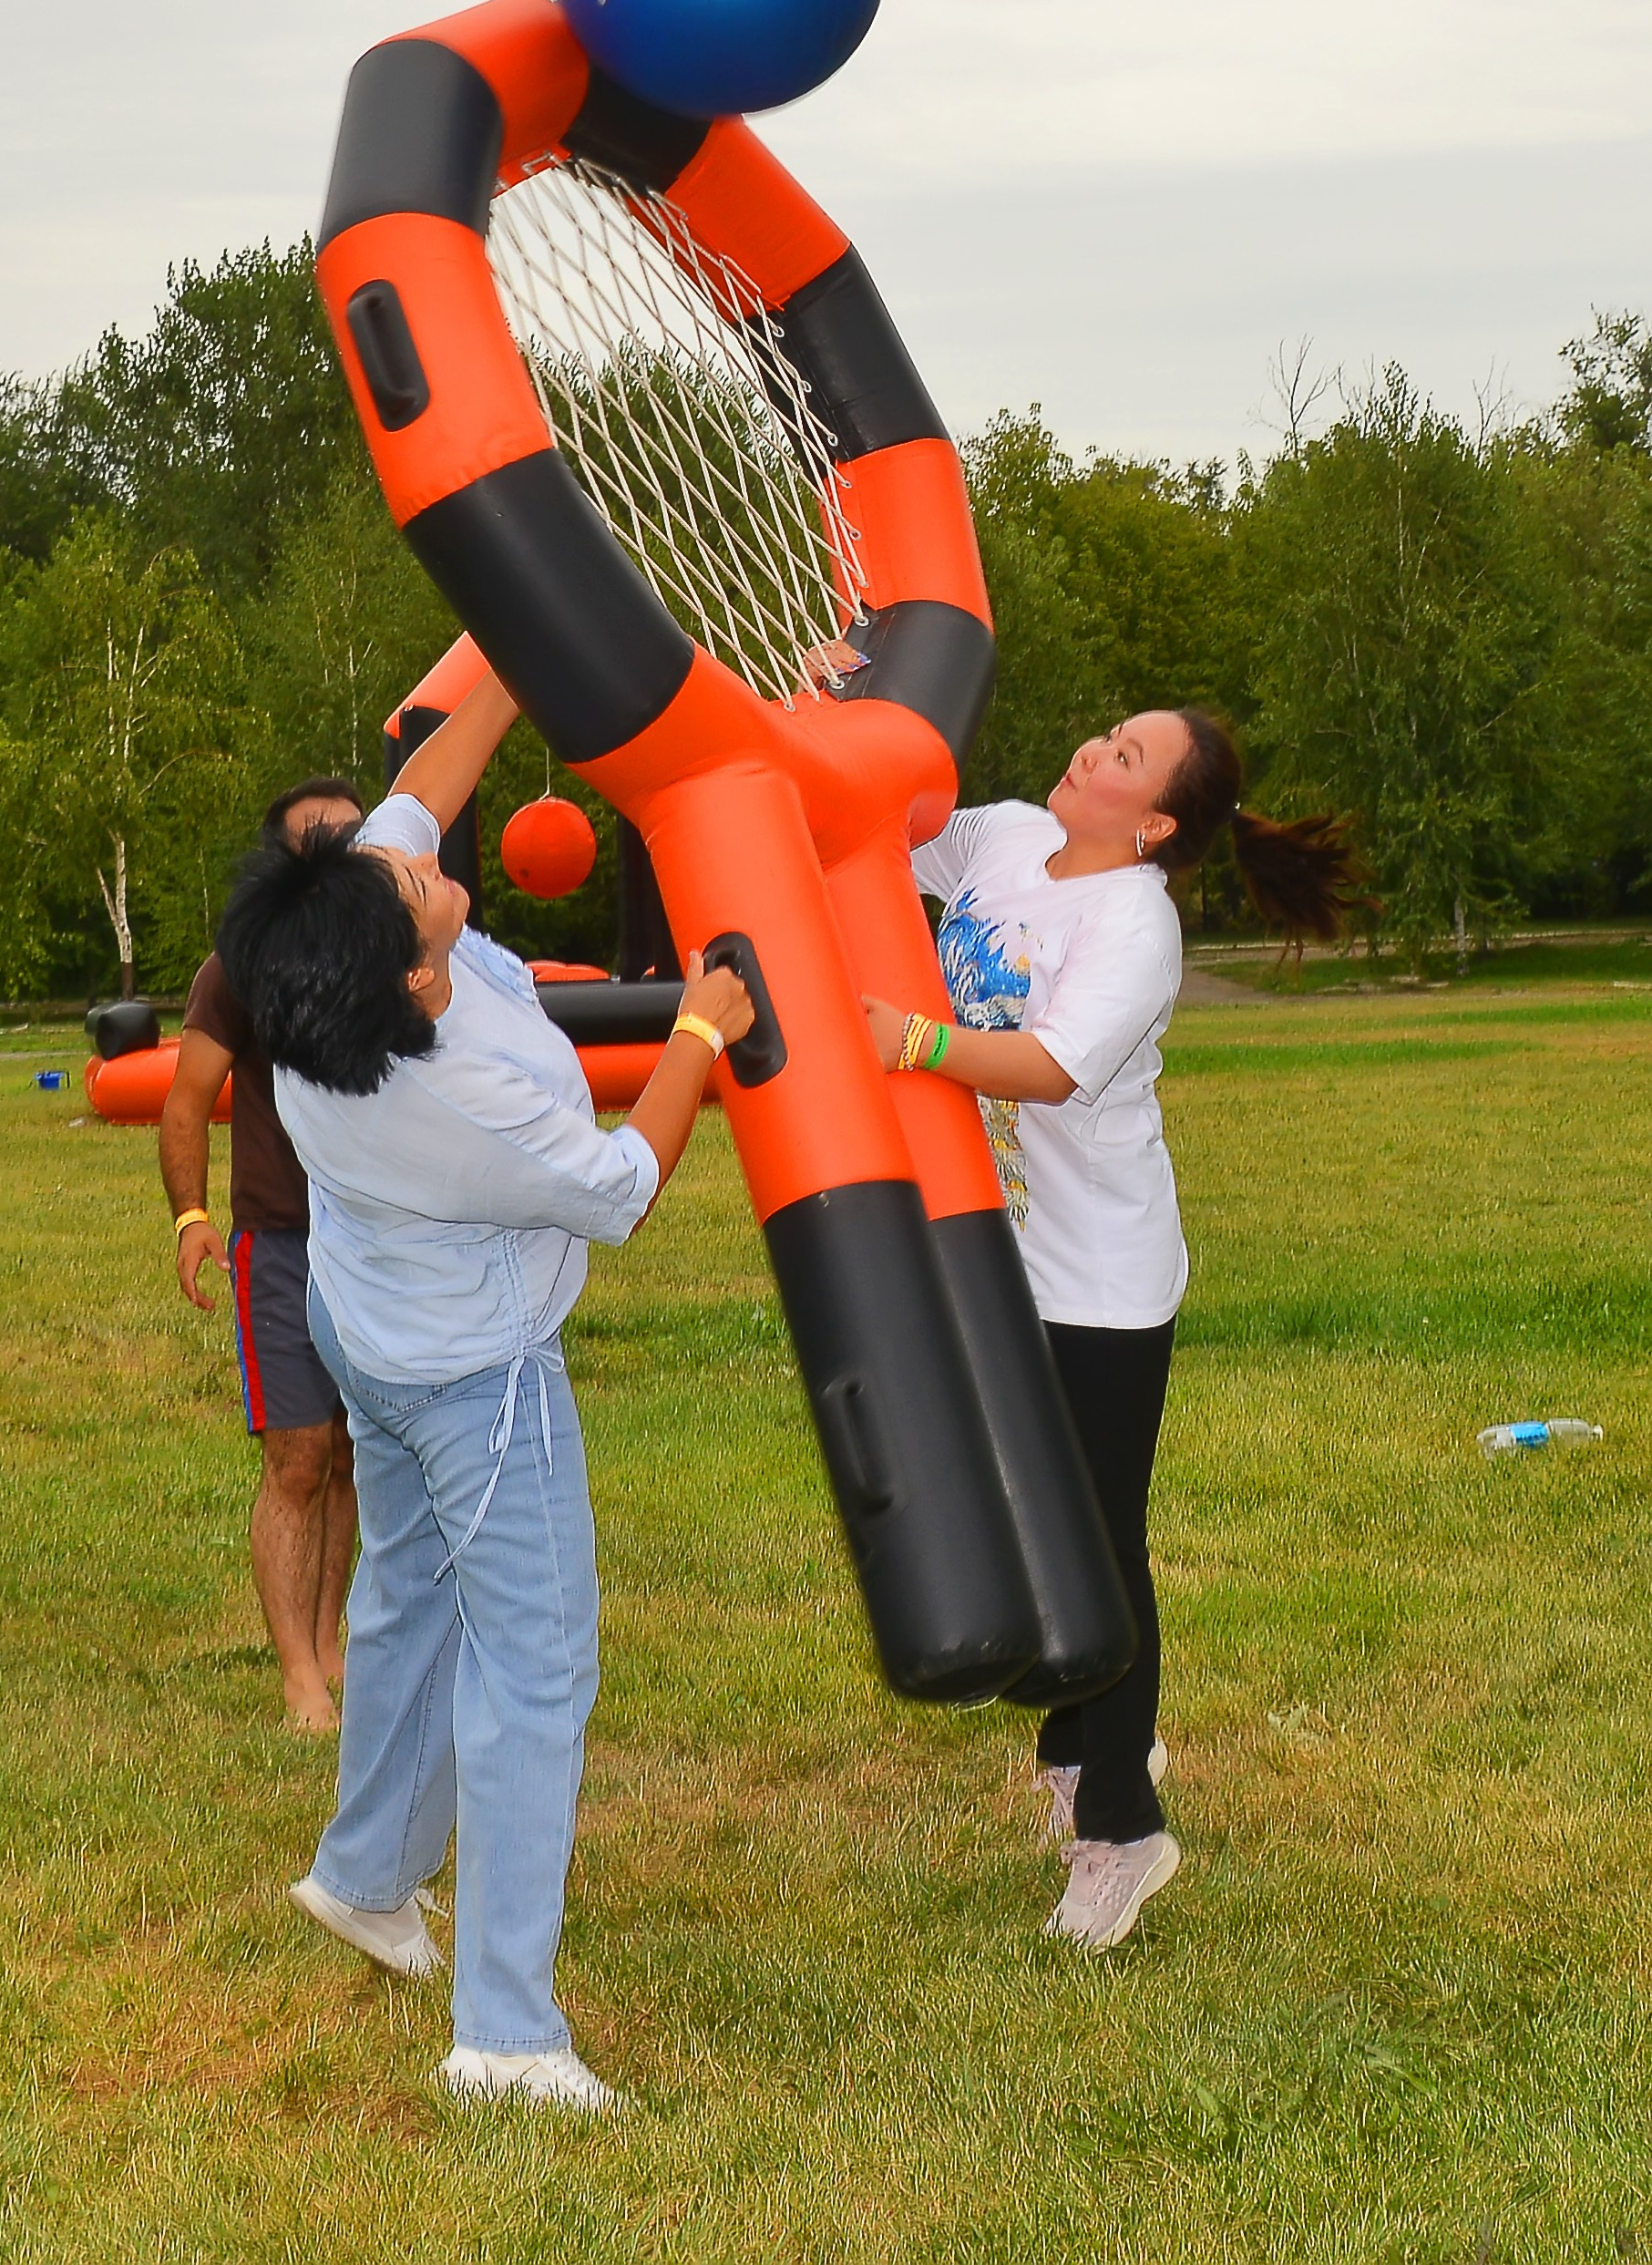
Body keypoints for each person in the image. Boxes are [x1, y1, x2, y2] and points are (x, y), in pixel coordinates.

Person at [217, 669, 752, 2114]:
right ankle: (505, 2037)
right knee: (533, 1671)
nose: (415, 851)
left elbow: (426, 787)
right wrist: (697, 1032)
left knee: (404, 1600)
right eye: (402, 879)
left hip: (372, 1339)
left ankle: (363, 1878)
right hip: (469, 1377)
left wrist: (516, 658)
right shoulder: (452, 1094)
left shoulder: (330, 982)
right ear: (410, 972)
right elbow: (623, 1186)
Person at [864, 710, 1358, 1951]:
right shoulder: (1008, 839)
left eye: (1125, 760)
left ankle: (1122, 1830)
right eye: (1103, 735)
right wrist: (837, 691)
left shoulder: (1135, 920)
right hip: (1001, 1260)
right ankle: (1071, 1754)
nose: (1089, 748)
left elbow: (1045, 1065)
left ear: (1152, 825)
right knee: (1015, 1515)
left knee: (1095, 1549)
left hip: (1100, 1279)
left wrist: (912, 1042)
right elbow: (876, 832)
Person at [163, 776, 364, 1733]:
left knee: (358, 1455)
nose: (336, 855)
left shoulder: (403, 949)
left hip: (384, 1240)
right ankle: (296, 1676)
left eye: (352, 839)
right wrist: (190, 1215)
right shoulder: (237, 963)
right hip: (280, 1241)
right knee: (298, 1456)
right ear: (278, 858)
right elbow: (183, 1097)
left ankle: (332, 1643)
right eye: (316, 840)